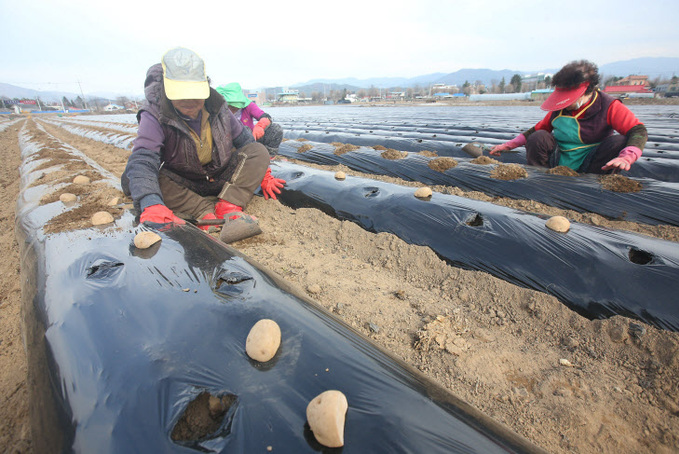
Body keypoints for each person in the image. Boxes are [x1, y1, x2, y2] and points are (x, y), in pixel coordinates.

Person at [121, 47, 286, 242]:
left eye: (195, 94)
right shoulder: (154, 113)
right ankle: (203, 210)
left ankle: (229, 205)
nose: (190, 101)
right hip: (184, 180)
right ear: (168, 91)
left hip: (219, 175)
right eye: (182, 95)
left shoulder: (218, 107)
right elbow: (143, 158)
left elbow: (246, 142)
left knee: (259, 151)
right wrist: (151, 204)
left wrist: (264, 174)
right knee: (139, 179)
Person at [490, 60, 647, 174]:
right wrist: (508, 145)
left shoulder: (609, 106)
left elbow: (638, 130)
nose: (564, 104)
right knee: (538, 137)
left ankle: (594, 185)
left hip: (592, 161)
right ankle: (540, 178)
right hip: (559, 158)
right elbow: (537, 130)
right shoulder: (559, 109)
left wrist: (627, 157)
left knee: (618, 142)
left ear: (586, 91)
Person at [216, 82, 283, 156]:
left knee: (275, 129)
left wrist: (260, 126)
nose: (235, 109)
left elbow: (265, 116)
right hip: (233, 142)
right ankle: (243, 158)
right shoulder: (217, 111)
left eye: (236, 107)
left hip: (251, 138)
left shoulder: (248, 106)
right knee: (244, 129)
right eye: (231, 107)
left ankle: (268, 157)